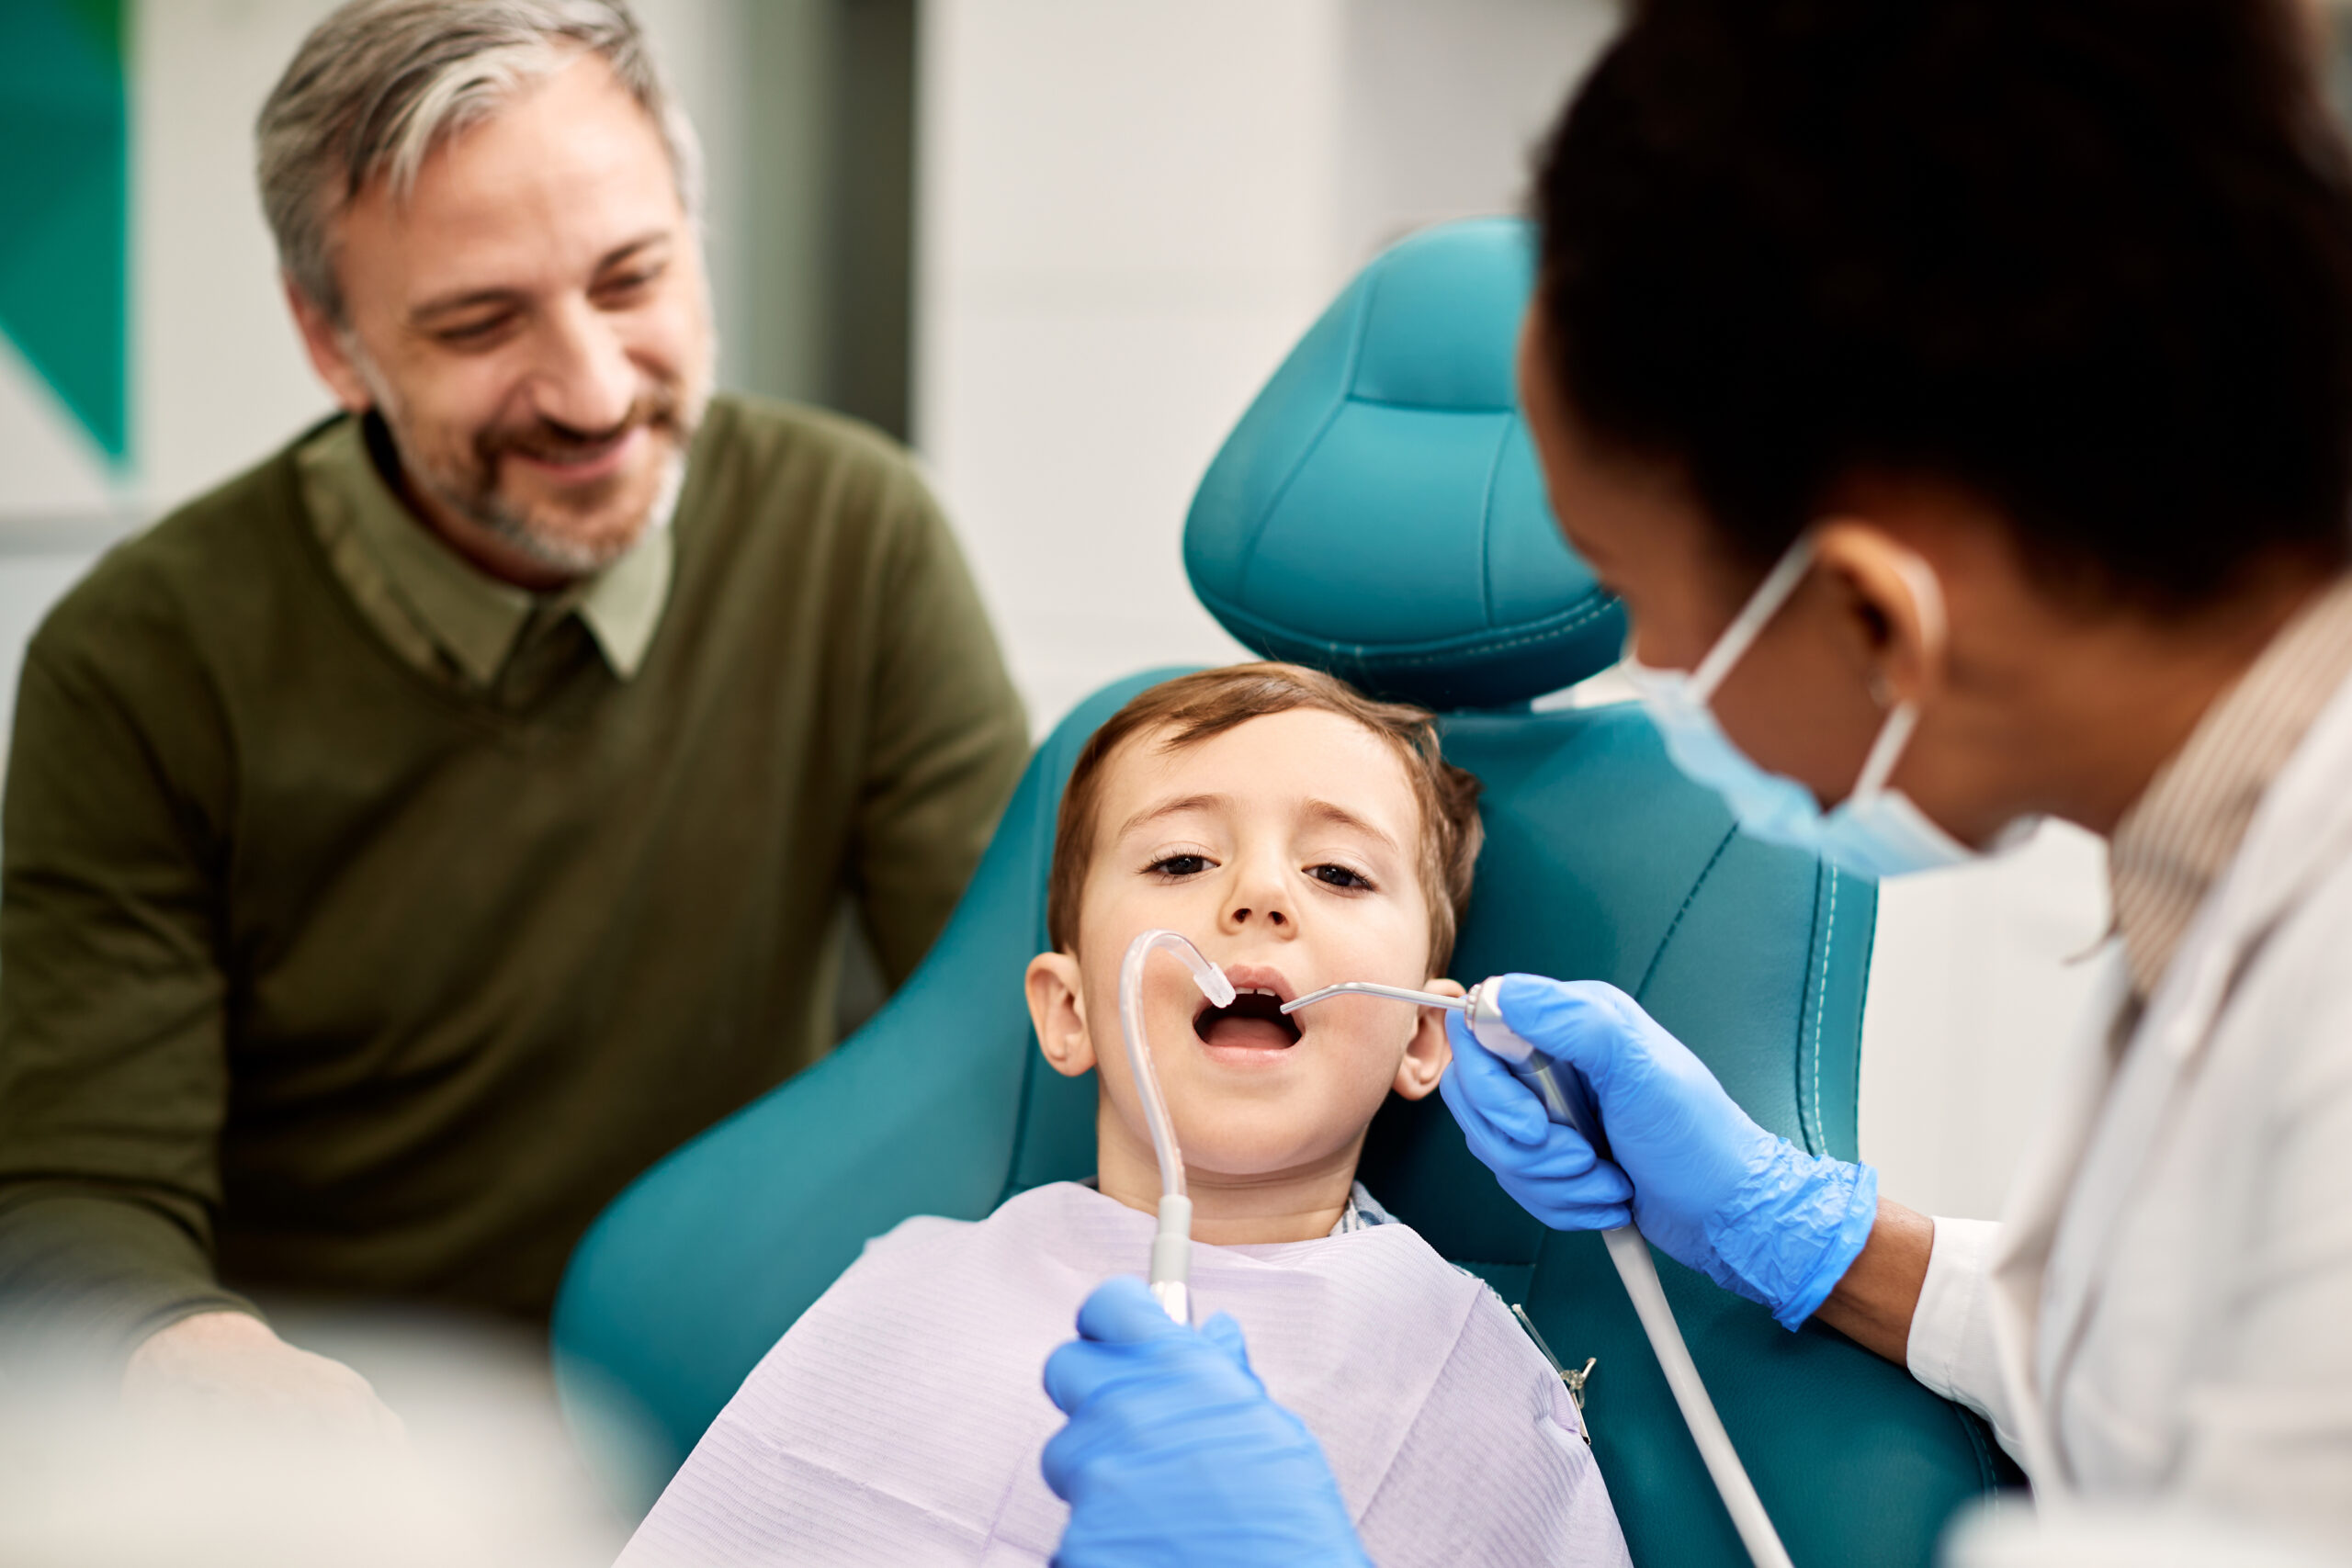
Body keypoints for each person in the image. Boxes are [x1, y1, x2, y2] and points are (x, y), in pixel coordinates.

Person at [1036, 0, 2352, 1561]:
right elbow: (2197, 1365)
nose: (1646, 665)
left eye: (1633, 591)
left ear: (1876, 613)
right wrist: (1825, 1241)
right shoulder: (2229, 862)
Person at [0, 0, 1026, 1433]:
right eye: (482, 322)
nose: (595, 391)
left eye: (633, 278)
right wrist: (192, 1351)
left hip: (744, 1401)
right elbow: (75, 1192)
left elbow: (1018, 1034)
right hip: (359, 1447)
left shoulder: (857, 536)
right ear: (331, 339)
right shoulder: (141, 659)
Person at [617, 664, 1630, 1567]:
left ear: (1423, 1040)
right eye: (1183, 860)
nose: (1260, 894)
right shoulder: (912, 1286)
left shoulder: (1469, 1380)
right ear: (1068, 1013)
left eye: (1337, 872)